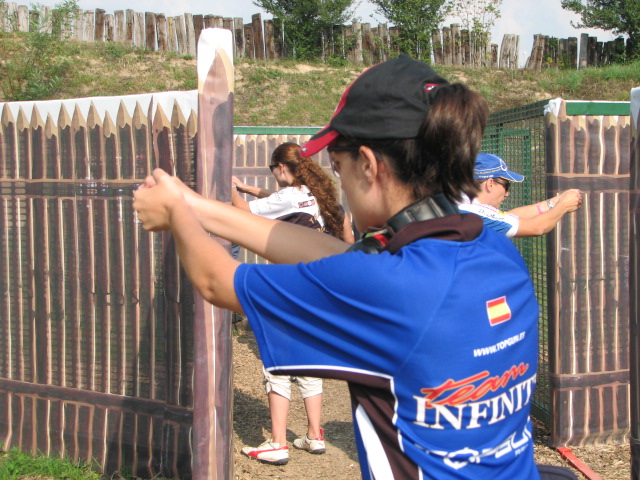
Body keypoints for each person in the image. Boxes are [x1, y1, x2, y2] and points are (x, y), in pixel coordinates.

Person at [133, 55, 576, 479]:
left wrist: (177, 214)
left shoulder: (389, 285)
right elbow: (337, 257)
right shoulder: (491, 248)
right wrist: (195, 204)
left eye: (339, 166)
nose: (340, 181)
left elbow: (216, 281)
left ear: (368, 165)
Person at [231, 142, 346, 465]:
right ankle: (314, 435)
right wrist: (248, 187)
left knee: (278, 361)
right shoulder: (313, 193)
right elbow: (277, 198)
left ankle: (278, 443)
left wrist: (230, 190)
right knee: (308, 361)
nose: (272, 175)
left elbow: (244, 213)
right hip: (317, 290)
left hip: (291, 288)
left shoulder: (290, 196)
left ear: (281, 167)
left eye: (273, 170)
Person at [458, 153, 583, 237]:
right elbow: (537, 228)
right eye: (506, 185)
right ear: (490, 184)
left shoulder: (460, 203)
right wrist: (563, 206)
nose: (507, 194)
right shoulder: (471, 213)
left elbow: (506, 217)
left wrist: (553, 203)